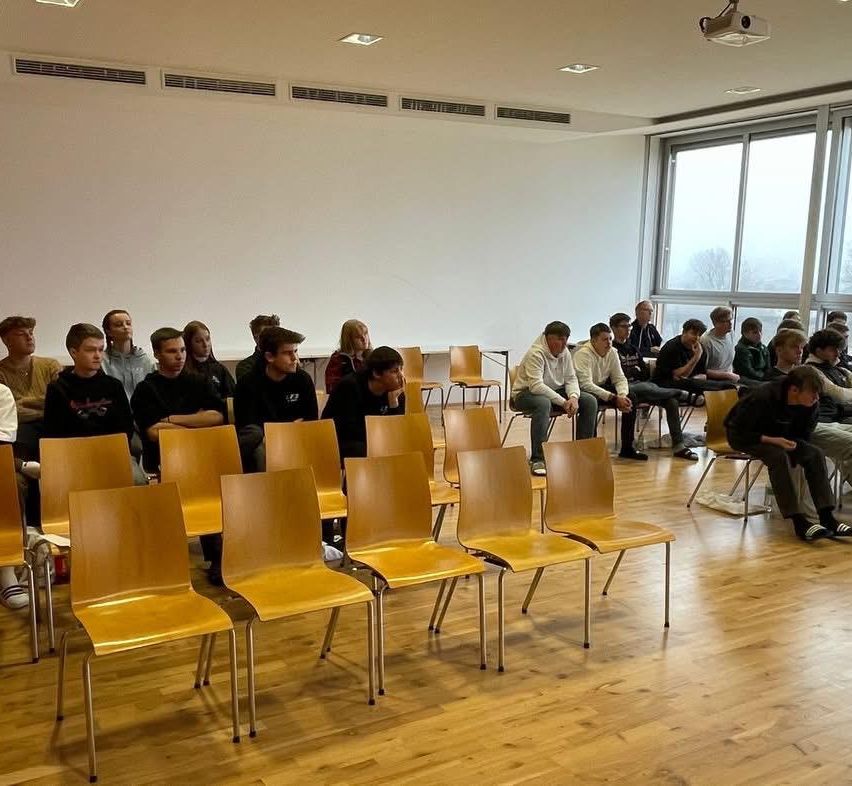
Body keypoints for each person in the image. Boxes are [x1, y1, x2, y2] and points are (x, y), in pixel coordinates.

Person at [131, 327, 227, 584]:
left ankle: (217, 556)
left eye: (182, 350)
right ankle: (167, 561)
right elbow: (153, 431)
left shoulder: (198, 381)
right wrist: (196, 424)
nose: (180, 356)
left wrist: (174, 419)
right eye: (172, 351)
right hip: (165, 457)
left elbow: (217, 416)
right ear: (157, 354)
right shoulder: (147, 389)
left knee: (213, 484)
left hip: (202, 455)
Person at [725, 366, 850, 542]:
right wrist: (772, 440)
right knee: (777, 457)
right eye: (812, 394)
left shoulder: (811, 404)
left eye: (818, 395)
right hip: (747, 437)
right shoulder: (762, 397)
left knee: (815, 454)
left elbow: (804, 435)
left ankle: (827, 517)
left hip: (785, 437)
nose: (816, 399)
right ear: (794, 390)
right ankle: (798, 521)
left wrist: (797, 452)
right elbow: (736, 430)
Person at [43, 324, 146, 485]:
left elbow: (125, 426)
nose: (98, 355)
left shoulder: (113, 385)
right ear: (73, 352)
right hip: (74, 456)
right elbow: (54, 432)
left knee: (137, 481)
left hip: (111, 452)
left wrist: (109, 449)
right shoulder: (58, 389)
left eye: (101, 349)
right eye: (91, 350)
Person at [512, 322, 597, 475]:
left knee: (589, 400)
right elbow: (536, 386)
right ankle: (538, 458)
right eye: (560, 339)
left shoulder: (565, 353)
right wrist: (563, 402)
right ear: (548, 338)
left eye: (566, 339)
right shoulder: (535, 353)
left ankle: (582, 452)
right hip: (525, 394)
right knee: (543, 403)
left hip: (555, 392)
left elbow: (571, 379)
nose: (564, 344)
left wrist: (573, 397)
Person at [610, 313, 698, 461]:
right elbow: (618, 376)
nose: (628, 329)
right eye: (624, 326)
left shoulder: (633, 349)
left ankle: (678, 445)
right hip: (623, 390)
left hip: (642, 387)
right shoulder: (611, 349)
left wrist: (634, 372)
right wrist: (634, 371)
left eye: (629, 326)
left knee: (670, 401)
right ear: (613, 328)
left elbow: (644, 372)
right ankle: (680, 393)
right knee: (647, 387)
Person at [234, 326, 318, 470]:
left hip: (296, 438)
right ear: (269, 357)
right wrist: (285, 429)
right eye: (287, 353)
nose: (295, 359)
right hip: (262, 442)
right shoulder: (248, 384)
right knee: (259, 446)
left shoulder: (303, 379)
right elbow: (248, 427)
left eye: (296, 351)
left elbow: (311, 418)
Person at [574, 323, 647, 461]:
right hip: (584, 390)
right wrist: (613, 398)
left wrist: (622, 395)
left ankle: (627, 448)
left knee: (632, 397)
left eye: (610, 339)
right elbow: (585, 384)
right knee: (591, 401)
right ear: (593, 340)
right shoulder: (582, 354)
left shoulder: (612, 352)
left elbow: (619, 378)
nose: (608, 343)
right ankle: (590, 449)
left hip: (601, 387)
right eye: (604, 339)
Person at [322, 346, 405, 460]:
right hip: (340, 441)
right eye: (395, 371)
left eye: (401, 369)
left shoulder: (394, 390)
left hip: (372, 439)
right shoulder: (349, 387)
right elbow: (348, 430)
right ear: (376, 374)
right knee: (364, 450)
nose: (401, 375)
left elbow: (396, 431)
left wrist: (393, 404)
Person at [0, 316, 61, 462]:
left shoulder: (50, 365)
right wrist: (42, 402)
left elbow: (59, 403)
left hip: (51, 424)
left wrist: (21, 402)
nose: (29, 337)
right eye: (22, 334)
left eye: (31, 333)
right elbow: (9, 414)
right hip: (20, 431)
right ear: (7, 341)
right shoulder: (1, 372)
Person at [0, 382, 30, 610]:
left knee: (10, 482)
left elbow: (2, 448)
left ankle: (6, 569)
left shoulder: (1, 393)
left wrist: (16, 464)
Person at [655, 318, 737, 394]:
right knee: (715, 387)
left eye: (699, 335)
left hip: (689, 381)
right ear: (684, 332)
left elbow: (703, 375)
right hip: (665, 382)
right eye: (693, 334)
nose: (696, 338)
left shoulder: (700, 348)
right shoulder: (672, 347)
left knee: (727, 385)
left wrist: (694, 379)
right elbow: (679, 376)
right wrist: (696, 357)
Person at [100, 309, 156, 401]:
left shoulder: (145, 359)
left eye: (128, 323)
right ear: (108, 331)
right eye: (119, 325)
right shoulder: (102, 360)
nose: (125, 327)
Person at [183, 320, 236, 399]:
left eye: (207, 339)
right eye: (198, 341)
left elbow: (232, 397)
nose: (205, 344)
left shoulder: (219, 369)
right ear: (189, 344)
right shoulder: (184, 371)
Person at [699, 307, 747, 385]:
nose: (731, 323)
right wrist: (728, 375)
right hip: (715, 380)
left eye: (731, 320)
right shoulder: (706, 341)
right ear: (716, 323)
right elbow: (703, 370)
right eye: (726, 321)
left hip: (731, 376)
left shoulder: (730, 334)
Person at [325, 319, 372, 394]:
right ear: (349, 340)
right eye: (358, 337)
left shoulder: (372, 357)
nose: (364, 339)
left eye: (365, 334)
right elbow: (333, 388)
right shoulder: (338, 360)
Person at [236, 314, 280, 380]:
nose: (274, 338)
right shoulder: (245, 366)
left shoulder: (286, 360)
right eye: (269, 335)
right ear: (256, 338)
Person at [733, 317, 770, 382]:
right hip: (747, 379)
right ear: (745, 334)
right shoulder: (741, 350)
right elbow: (748, 372)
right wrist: (765, 378)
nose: (759, 335)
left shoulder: (763, 348)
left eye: (760, 331)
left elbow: (768, 368)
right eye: (755, 332)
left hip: (762, 377)